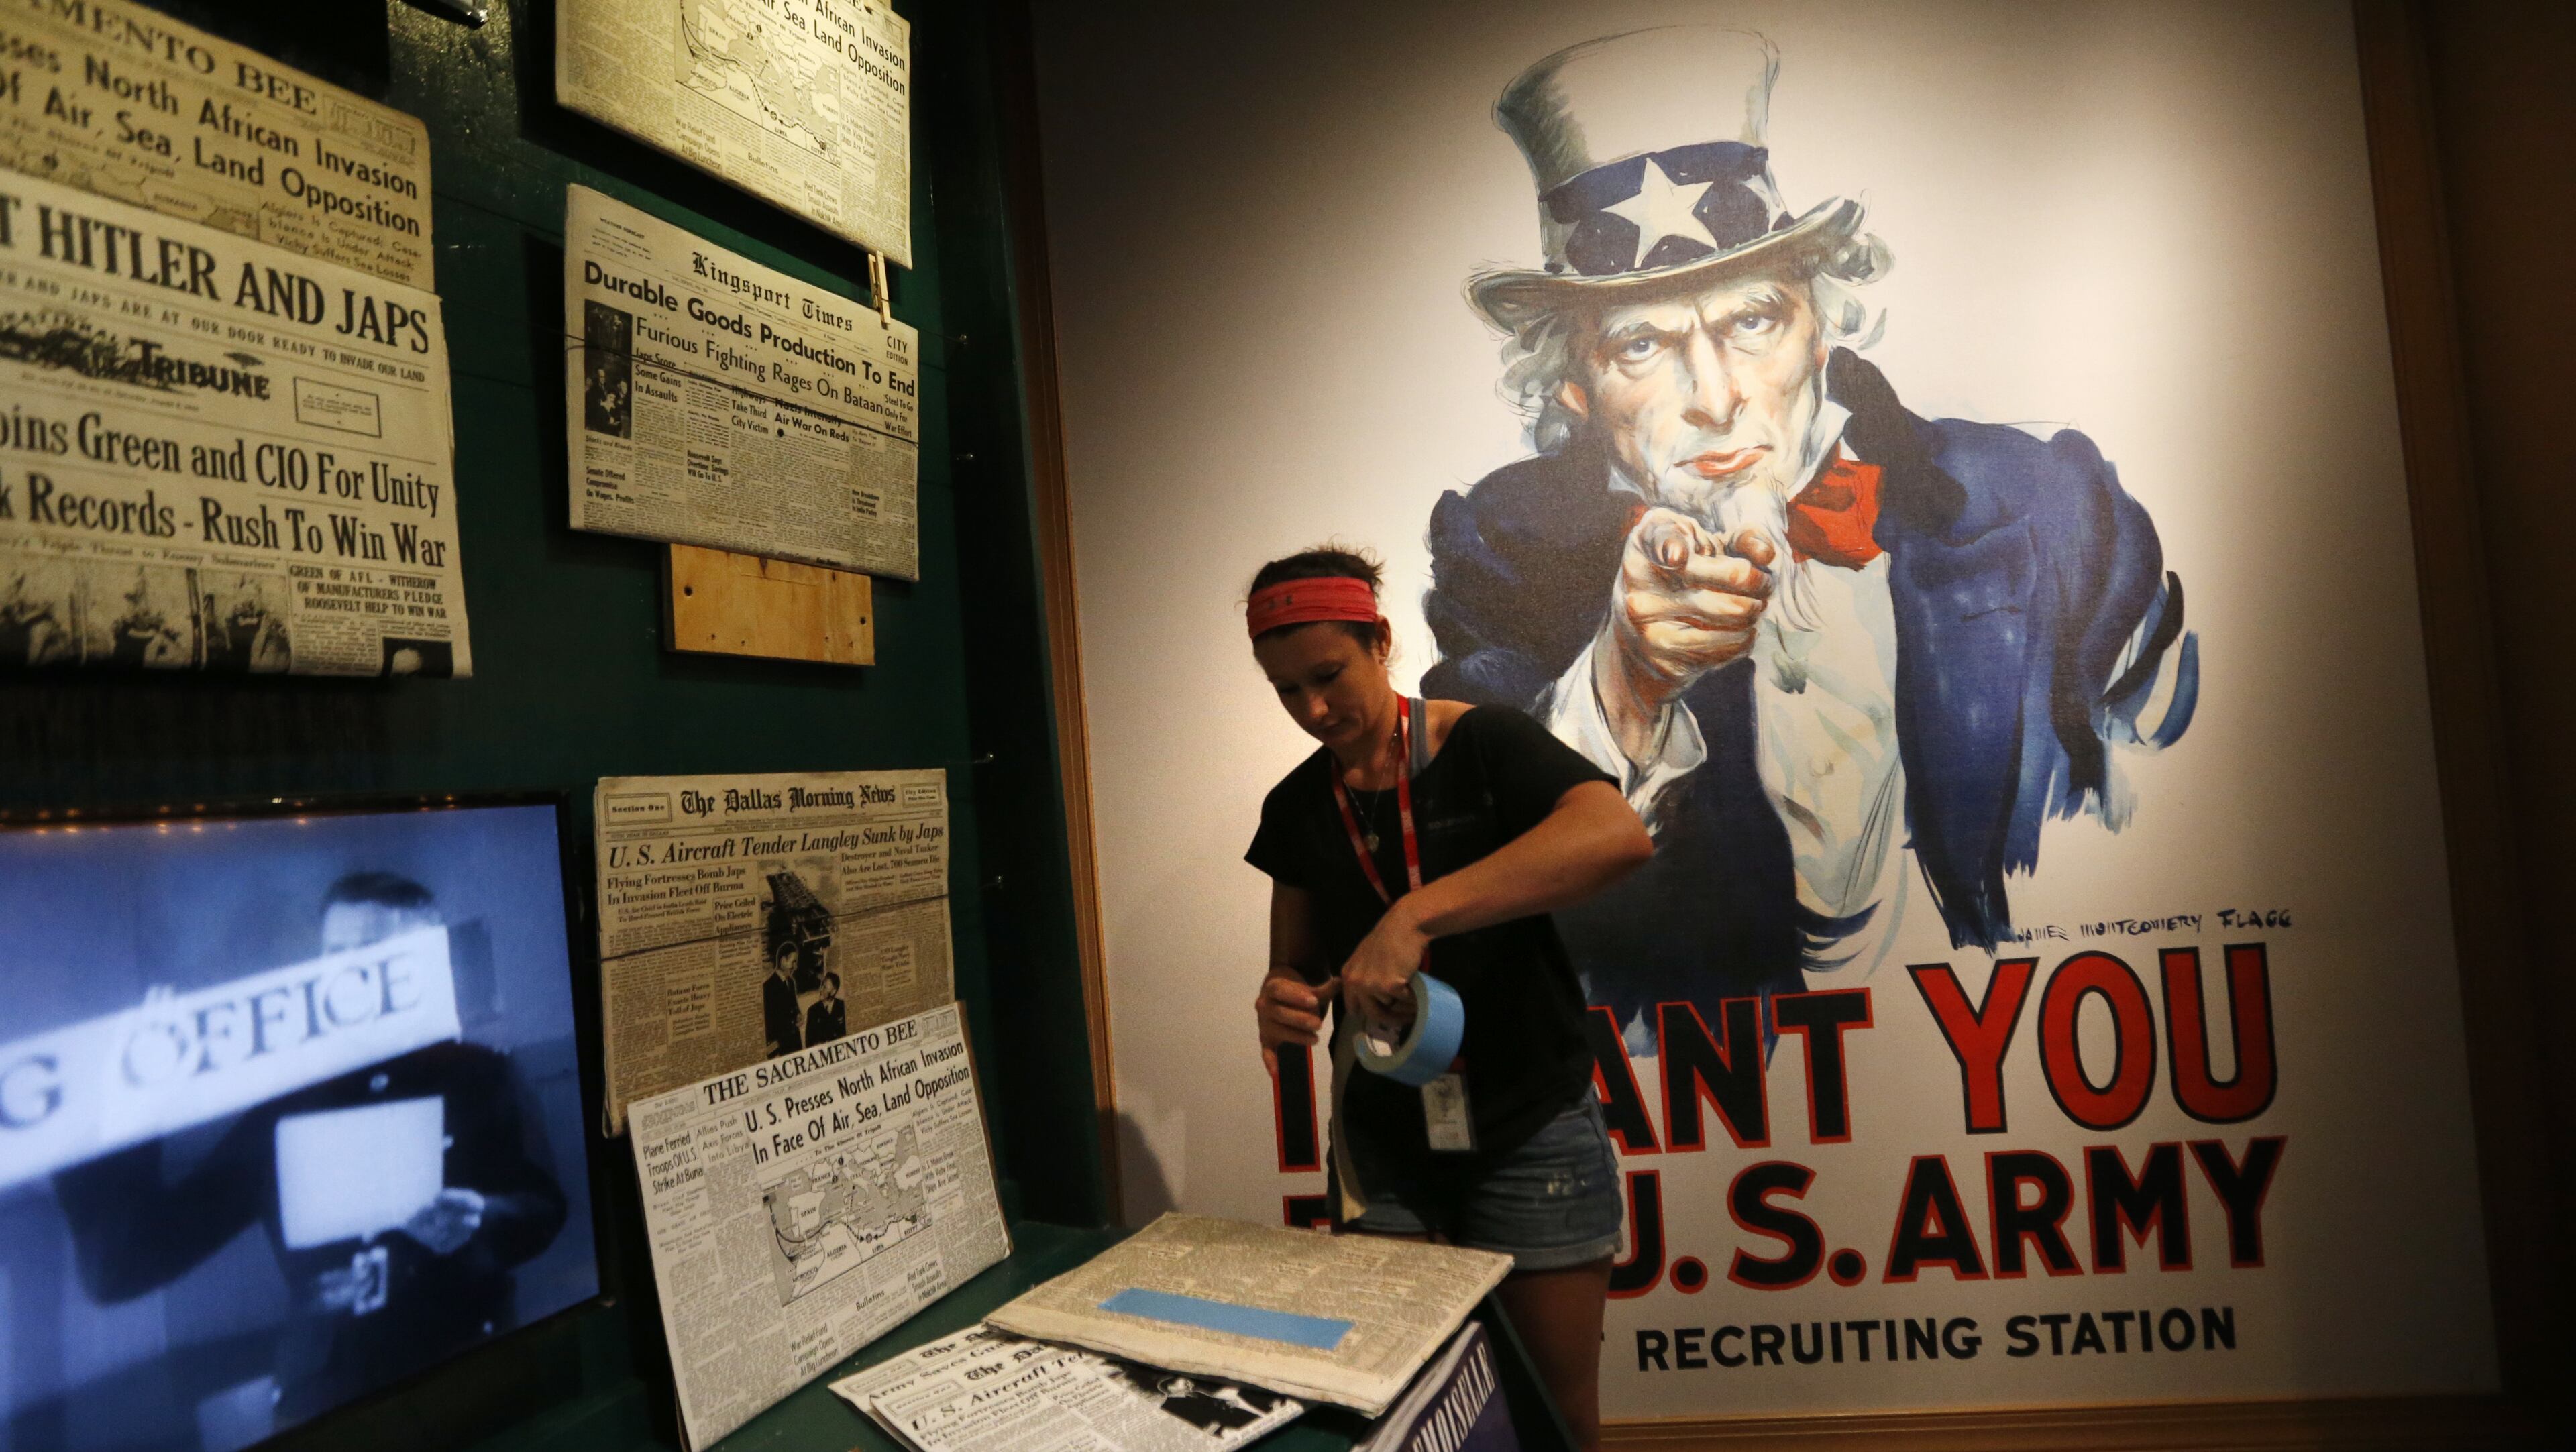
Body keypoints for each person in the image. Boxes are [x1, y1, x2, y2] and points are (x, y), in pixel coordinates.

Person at [1423, 29, 2198, 1048]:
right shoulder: (1500, 549)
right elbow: (1477, 879)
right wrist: (1624, 684)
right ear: (1573, 385)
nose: (1716, 396)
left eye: (1752, 321)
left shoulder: (2050, 502)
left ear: (1822, 328)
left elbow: (2159, 819)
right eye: (1644, 344)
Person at [1244, 547, 1653, 1452]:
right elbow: (1293, 969)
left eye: (1327, 676)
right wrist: (1281, 1002)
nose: (1313, 710)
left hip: (1529, 1123)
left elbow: (1617, 836)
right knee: (1410, 1415)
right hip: (1385, 1145)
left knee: (1555, 1416)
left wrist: (1415, 915)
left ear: (1380, 641)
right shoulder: (1298, 807)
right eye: (1286, 691)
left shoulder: (1484, 744)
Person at [50, 872, 569, 1429]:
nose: (350, 976)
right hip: (333, 1399)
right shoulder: (286, 1106)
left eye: (377, 956)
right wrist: (131, 1115)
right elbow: (123, 1266)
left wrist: (482, 1218)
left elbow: (543, 1207)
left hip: (474, 1372)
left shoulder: (485, 1075)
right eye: (336, 954)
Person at [763, 940, 804, 1057]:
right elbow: (769, 1025)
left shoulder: (791, 982)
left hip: (795, 1045)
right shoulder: (768, 987)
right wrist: (775, 1053)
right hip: (781, 1051)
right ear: (782, 961)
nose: (795, 967)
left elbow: (794, 1007)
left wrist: (799, 1015)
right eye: (793, 962)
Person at [804, 971, 847, 1045]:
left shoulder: (842, 1006)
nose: (821, 989)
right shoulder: (813, 1011)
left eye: (825, 987)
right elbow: (809, 1043)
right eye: (821, 985)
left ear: (833, 991)